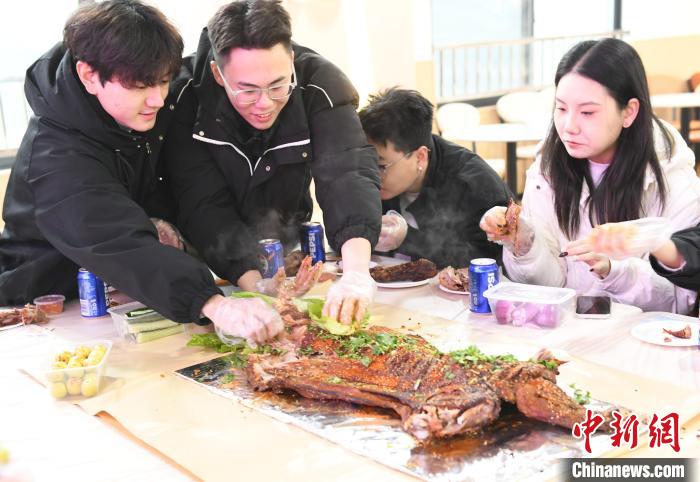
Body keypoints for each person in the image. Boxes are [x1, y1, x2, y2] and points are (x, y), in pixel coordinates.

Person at [0, 0, 283, 345]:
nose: (158, 99)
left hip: (124, 288)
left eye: (164, 81)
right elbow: (109, 234)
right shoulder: (55, 149)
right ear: (89, 75)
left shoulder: (142, 110)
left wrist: (243, 268)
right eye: (140, 86)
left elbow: (192, 189)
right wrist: (210, 303)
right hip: (48, 301)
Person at [163, 0, 381, 324]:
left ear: (291, 60)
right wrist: (255, 285)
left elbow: (347, 173)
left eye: (278, 85)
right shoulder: (183, 98)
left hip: (285, 244)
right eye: (247, 91)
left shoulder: (320, 83)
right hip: (209, 263)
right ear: (218, 74)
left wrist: (357, 273)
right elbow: (203, 203)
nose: (264, 104)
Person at [480, 38, 700, 313]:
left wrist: (614, 271)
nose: (569, 126)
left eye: (587, 112)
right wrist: (523, 242)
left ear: (629, 112)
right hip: (567, 339)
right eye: (561, 108)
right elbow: (551, 287)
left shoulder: (671, 178)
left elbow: (680, 302)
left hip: (638, 347)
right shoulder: (547, 171)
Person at [358, 88, 512, 268]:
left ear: (420, 157)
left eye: (381, 166)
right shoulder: (367, 175)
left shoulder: (473, 186)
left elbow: (487, 262)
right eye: (367, 163)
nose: (374, 176)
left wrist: (406, 239)